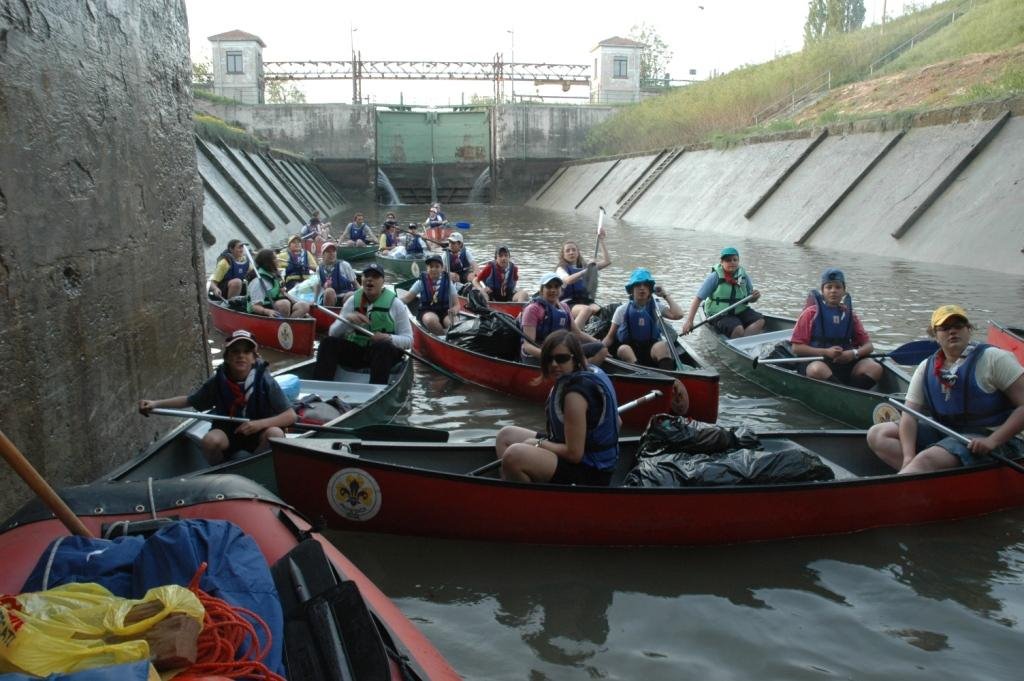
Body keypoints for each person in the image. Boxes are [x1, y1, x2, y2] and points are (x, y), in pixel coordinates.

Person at [866, 305, 1024, 475]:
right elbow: (909, 416)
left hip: (991, 437)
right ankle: (918, 476)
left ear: (969, 329)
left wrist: (993, 441)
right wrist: (908, 457)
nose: (952, 332)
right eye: (945, 328)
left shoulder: (995, 358)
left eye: (958, 326)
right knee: (877, 434)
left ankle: (915, 476)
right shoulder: (926, 367)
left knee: (927, 459)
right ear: (935, 336)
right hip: (946, 431)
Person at [138, 330, 296, 464]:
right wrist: (155, 403)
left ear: (254, 358)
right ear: (226, 357)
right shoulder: (218, 381)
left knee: (275, 434)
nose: (241, 356)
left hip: (260, 431)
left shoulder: (265, 381)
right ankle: (223, 469)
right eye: (235, 351)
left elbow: (290, 415)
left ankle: (254, 465)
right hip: (229, 432)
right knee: (210, 441)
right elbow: (190, 400)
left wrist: (259, 424)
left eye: (246, 352)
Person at [494, 331, 620, 485]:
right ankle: (507, 485)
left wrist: (539, 444)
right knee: (505, 436)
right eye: (549, 358)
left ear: (575, 358)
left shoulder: (575, 395)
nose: (554, 364)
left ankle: (528, 502)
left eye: (562, 358)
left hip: (591, 470)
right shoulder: (587, 372)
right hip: (580, 456)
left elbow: (575, 454)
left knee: (514, 456)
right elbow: (618, 422)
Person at [314, 263, 412, 384]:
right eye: (366, 276)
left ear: (383, 282)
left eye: (375, 276)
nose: (370, 279)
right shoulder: (352, 301)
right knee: (328, 343)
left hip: (384, 354)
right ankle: (320, 386)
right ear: (362, 279)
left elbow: (409, 340)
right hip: (358, 352)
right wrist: (347, 320)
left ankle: (377, 388)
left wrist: (388, 338)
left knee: (383, 347)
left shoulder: (396, 305)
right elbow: (333, 333)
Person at [790, 267, 883, 389]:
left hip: (845, 362)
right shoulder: (810, 314)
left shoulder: (851, 316)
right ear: (822, 291)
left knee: (875, 368)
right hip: (817, 360)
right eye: (829, 287)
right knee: (817, 369)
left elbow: (869, 346)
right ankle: (849, 395)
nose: (833, 291)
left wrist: (853, 353)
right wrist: (826, 352)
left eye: (838, 287)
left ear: (844, 291)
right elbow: (796, 348)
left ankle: (851, 392)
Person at [602, 268, 684, 369]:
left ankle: (668, 378)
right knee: (623, 349)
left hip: (651, 349)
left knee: (662, 346)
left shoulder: (657, 307)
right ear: (632, 289)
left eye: (645, 285)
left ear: (650, 289)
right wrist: (601, 349)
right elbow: (610, 337)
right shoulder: (621, 310)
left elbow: (678, 315)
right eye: (638, 285)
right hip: (630, 349)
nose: (642, 288)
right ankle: (640, 374)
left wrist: (665, 295)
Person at [520, 272, 607, 365]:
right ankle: (574, 368)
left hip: (559, 351)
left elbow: (577, 333)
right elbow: (528, 346)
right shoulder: (533, 309)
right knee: (567, 359)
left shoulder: (564, 307)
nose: (553, 290)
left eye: (556, 287)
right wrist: (553, 358)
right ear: (541, 291)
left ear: (560, 290)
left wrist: (599, 342)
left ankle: (583, 370)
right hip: (537, 354)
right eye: (549, 287)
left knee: (601, 349)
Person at [680, 246, 764, 338]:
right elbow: (698, 299)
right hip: (720, 314)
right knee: (738, 329)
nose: (732, 262)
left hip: (739, 310)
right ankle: (741, 340)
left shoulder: (743, 276)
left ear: (738, 261)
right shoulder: (714, 277)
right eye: (728, 260)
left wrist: (755, 297)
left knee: (760, 321)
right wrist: (689, 321)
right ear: (722, 262)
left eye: (735, 260)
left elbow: (750, 298)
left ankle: (743, 342)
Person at [556, 232, 611, 328]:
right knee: (586, 310)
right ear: (563, 254)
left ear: (578, 252)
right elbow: (568, 280)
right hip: (566, 304)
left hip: (584, 301)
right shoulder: (560, 269)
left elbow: (607, 261)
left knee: (602, 312)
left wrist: (601, 240)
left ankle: (595, 332)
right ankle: (573, 335)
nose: (571, 252)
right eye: (568, 251)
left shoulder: (584, 266)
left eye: (573, 250)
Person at [401, 253, 460, 334]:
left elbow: (457, 304)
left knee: (454, 323)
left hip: (446, 311)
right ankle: (442, 337)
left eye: (437, 266)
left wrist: (454, 310)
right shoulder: (421, 283)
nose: (434, 269)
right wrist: (393, 302)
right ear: (427, 268)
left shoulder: (448, 283)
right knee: (431, 321)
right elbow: (406, 299)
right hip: (427, 310)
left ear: (442, 268)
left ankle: (452, 338)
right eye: (431, 266)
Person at [248, 248, 310, 318]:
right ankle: (284, 326)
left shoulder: (275, 276)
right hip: (262, 310)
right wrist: (268, 311)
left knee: (303, 305)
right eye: (275, 259)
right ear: (268, 263)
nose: (278, 260)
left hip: (277, 305)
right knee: (284, 304)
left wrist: (296, 302)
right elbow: (255, 306)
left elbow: (283, 293)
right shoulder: (258, 281)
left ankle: (289, 325)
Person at [317, 241, 358, 307]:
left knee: (350, 295)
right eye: (328, 252)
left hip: (345, 296)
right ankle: (328, 313)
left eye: (334, 251)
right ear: (323, 255)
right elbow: (319, 287)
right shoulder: (319, 269)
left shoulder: (344, 265)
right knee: (329, 291)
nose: (332, 254)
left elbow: (355, 284)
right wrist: (314, 300)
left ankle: (345, 313)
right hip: (329, 298)